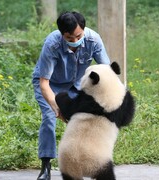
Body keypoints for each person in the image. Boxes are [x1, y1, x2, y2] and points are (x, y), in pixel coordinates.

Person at [32, 11, 110, 180]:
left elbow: (106, 71)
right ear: (62, 34)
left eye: (78, 36)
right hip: (50, 84)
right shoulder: (52, 44)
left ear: (83, 29)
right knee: (49, 117)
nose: (75, 41)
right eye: (69, 38)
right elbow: (44, 83)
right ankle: (46, 167)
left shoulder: (93, 40)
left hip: (76, 84)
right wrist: (57, 108)